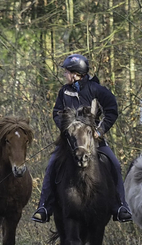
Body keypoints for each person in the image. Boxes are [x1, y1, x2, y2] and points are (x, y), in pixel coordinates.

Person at [32, 53, 132, 223]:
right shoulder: (64, 91)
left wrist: (99, 131)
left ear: (76, 73)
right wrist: (66, 129)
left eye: (66, 72)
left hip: (93, 140)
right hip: (70, 141)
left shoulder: (96, 90)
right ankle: (44, 207)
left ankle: (120, 206)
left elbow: (112, 109)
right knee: (51, 165)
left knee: (114, 164)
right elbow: (57, 113)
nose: (64, 75)